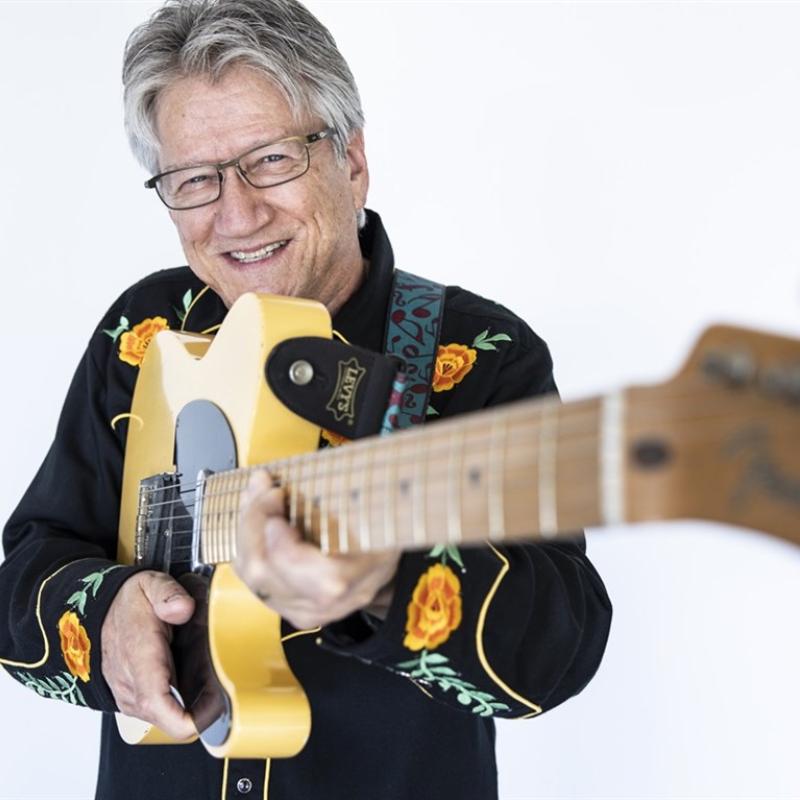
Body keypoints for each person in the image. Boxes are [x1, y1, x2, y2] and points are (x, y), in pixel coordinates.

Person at [0, 1, 612, 798]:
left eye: (271, 160)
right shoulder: (145, 333)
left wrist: (387, 583)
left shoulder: (478, 355)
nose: (237, 214)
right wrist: (108, 611)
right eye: (195, 179)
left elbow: (557, 655)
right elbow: (25, 578)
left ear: (351, 161)